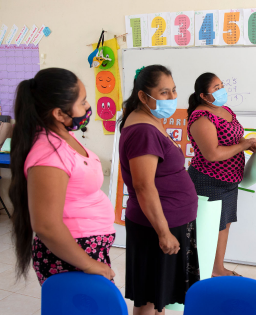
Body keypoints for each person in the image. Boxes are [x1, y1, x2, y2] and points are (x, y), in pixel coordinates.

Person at [10, 68, 116, 285]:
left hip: (84, 249)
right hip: (73, 254)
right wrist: (88, 263)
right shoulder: (49, 154)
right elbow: (46, 225)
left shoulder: (62, 138)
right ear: (59, 114)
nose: (88, 107)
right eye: (83, 101)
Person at [118, 65, 200, 314]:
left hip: (169, 219)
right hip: (157, 225)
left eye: (174, 90)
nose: (172, 97)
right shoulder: (143, 130)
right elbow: (143, 187)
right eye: (164, 93)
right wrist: (163, 233)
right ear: (143, 96)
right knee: (148, 298)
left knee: (158, 294)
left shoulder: (150, 120)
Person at [186, 73, 256, 278]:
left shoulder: (224, 110)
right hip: (208, 180)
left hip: (229, 180)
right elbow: (212, 154)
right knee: (207, 227)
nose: (221, 90)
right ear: (203, 96)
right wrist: (242, 145)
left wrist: (248, 144)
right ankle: (201, 272)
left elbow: (234, 136)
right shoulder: (201, 118)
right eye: (216, 88)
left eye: (222, 85)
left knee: (224, 225)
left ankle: (217, 268)